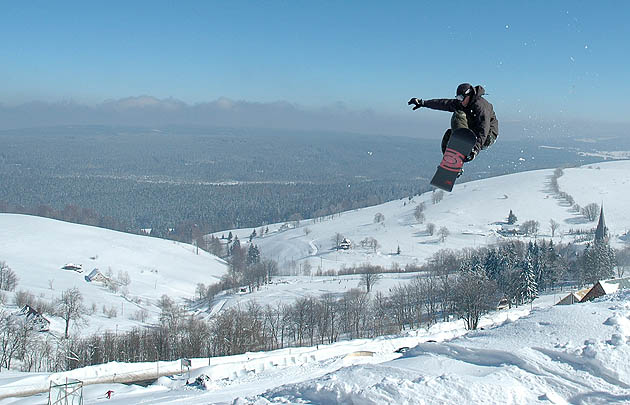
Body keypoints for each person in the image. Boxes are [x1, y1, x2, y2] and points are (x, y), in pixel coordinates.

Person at [408, 83, 498, 162]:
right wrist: (423, 103)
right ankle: (452, 164)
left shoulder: (481, 106)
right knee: (449, 136)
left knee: (458, 114)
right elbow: (443, 103)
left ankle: (462, 143)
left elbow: (484, 128)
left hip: (488, 136)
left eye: (461, 98)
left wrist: (475, 149)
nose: (460, 100)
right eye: (458, 98)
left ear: (469, 95)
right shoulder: (462, 103)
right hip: (475, 133)